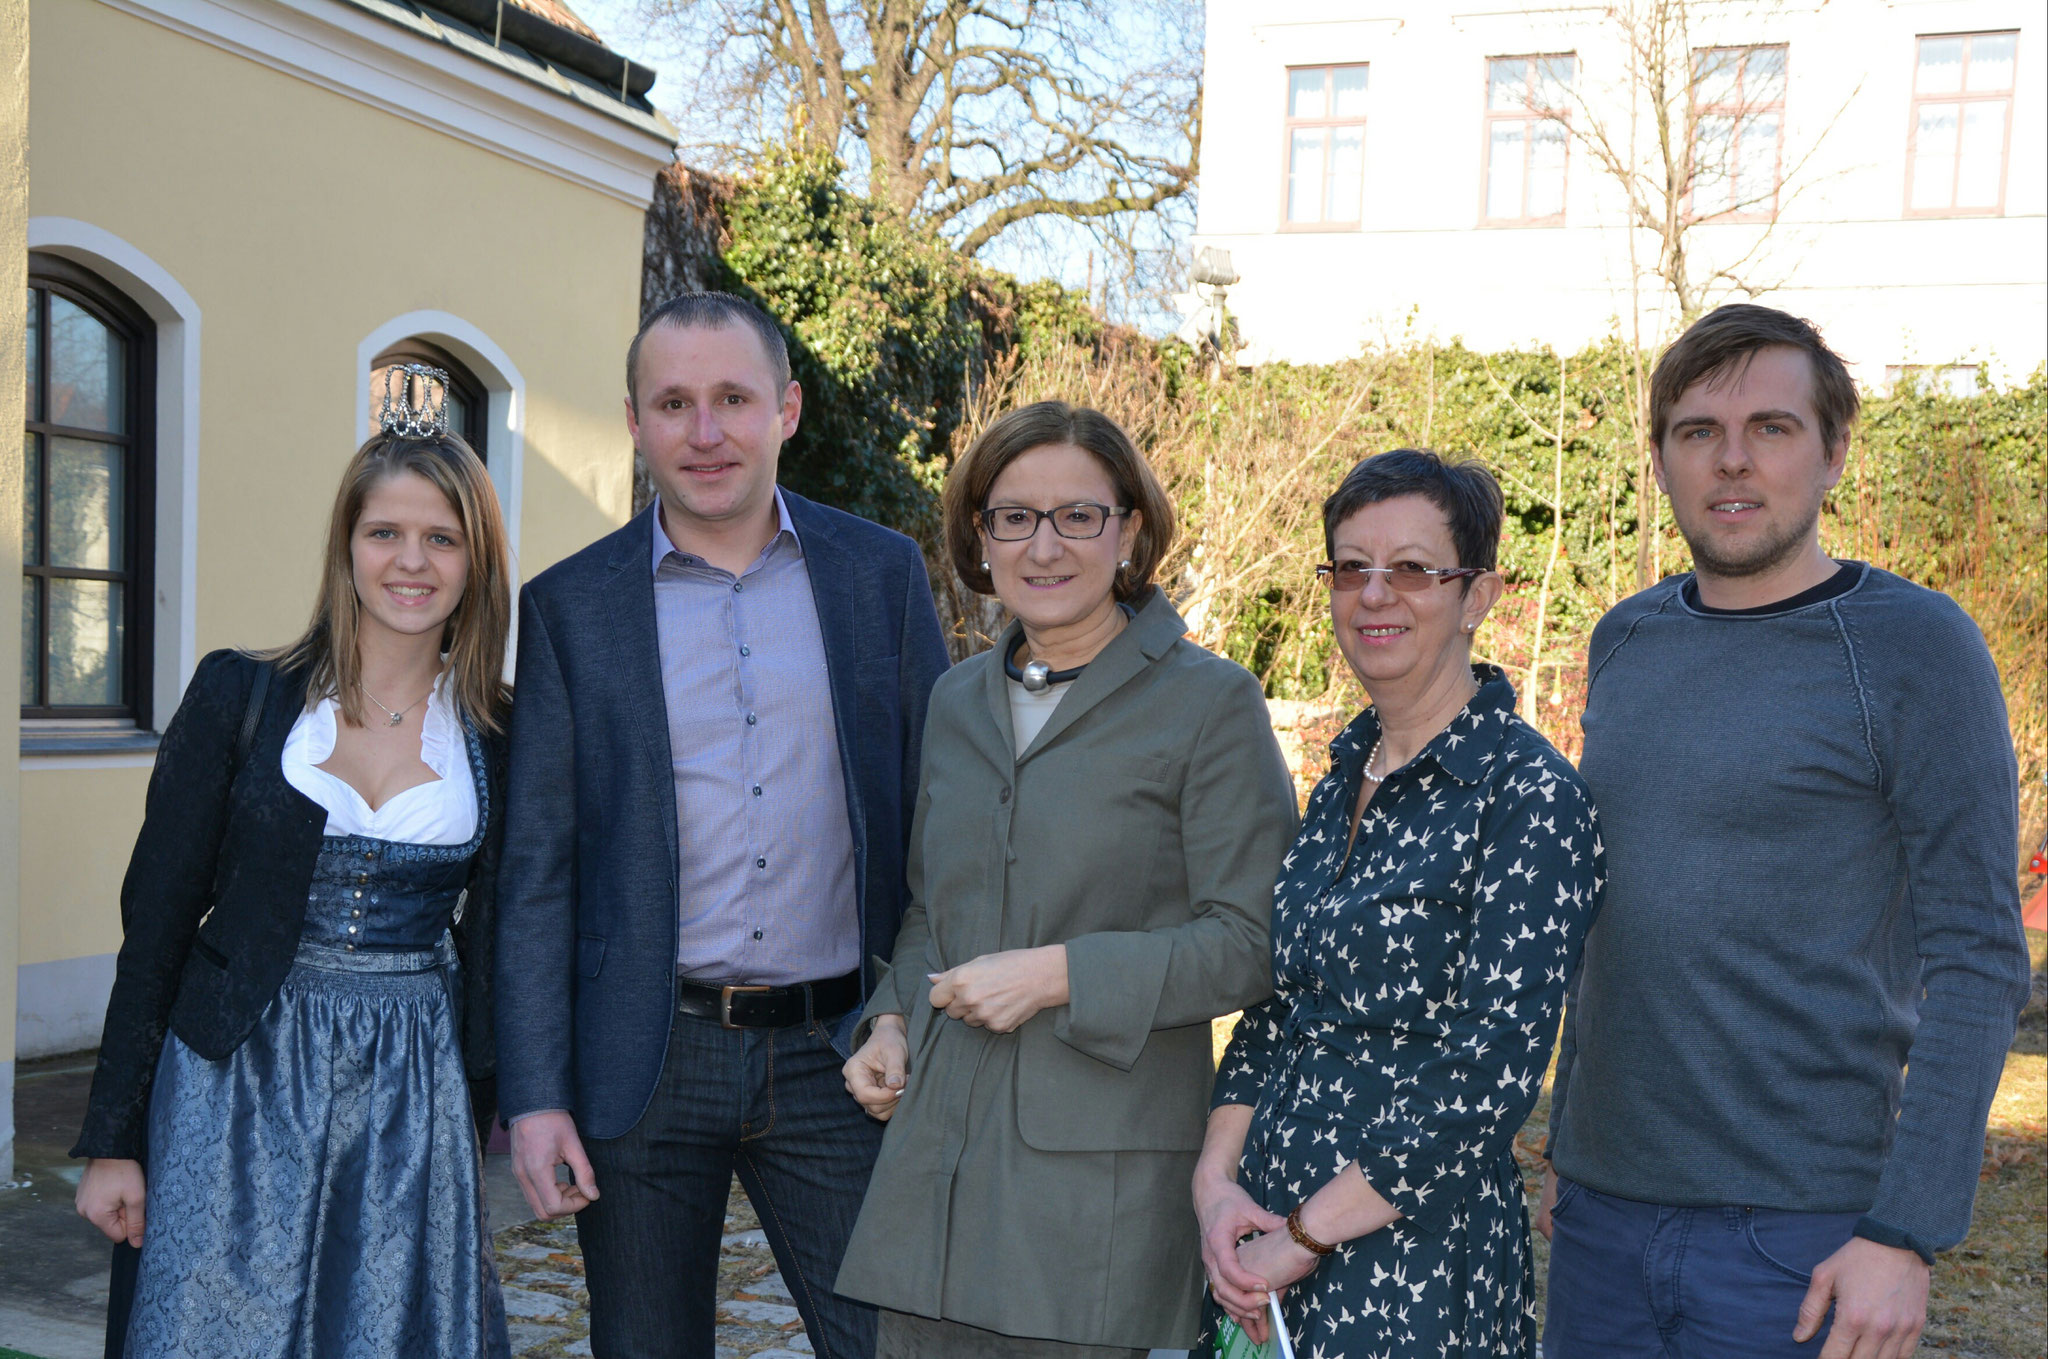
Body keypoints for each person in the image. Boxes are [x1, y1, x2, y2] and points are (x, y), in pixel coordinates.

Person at [1540, 304, 2032, 1358]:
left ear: (1832, 453)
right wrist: (1570, 1155)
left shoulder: (1915, 648)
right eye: (1694, 432)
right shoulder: (1626, 637)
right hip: (1600, 1223)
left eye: (1768, 428)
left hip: (1800, 1243)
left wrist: (1904, 1231)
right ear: (1661, 458)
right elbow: (1607, 913)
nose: (1730, 462)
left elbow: (1980, 953)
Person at [495, 290, 950, 1359]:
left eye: (733, 399)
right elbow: (535, 873)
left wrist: (911, 1014)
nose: (705, 433)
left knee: (893, 1344)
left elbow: (943, 821)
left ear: (785, 408)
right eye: (674, 403)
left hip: (840, 1058)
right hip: (643, 1063)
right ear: (634, 421)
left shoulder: (877, 576)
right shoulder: (569, 608)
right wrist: (533, 1097)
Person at [833, 400, 1297, 1358]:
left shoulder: (1211, 703)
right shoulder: (956, 698)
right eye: (1013, 516)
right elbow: (932, 907)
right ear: (980, 535)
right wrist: (889, 1018)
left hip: (1092, 1200)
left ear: (1128, 528)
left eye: (1077, 515)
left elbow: (1253, 941)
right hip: (935, 1179)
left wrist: (1059, 975)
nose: (1043, 546)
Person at [71, 366, 514, 1358]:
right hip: (233, 1071)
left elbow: (509, 934)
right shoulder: (244, 697)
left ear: (476, 561)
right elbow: (155, 927)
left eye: (441, 538)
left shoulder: (498, 733)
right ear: (346, 548)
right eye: (384, 533)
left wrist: (512, 1105)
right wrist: (112, 1138)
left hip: (411, 1089)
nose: (412, 561)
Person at [1193, 449, 1603, 1358]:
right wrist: (1218, 1190)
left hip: (1408, 1263)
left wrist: (1304, 1237)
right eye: (1351, 567)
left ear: (1479, 595)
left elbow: (1490, 1072)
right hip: (1261, 1240)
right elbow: (1276, 1011)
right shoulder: (1342, 776)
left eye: (1413, 569)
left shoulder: (1527, 796)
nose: (1375, 594)